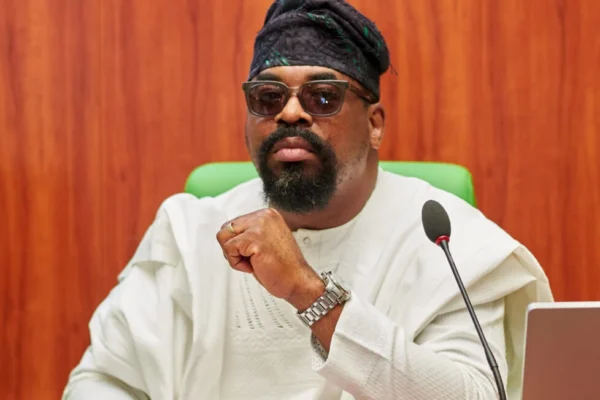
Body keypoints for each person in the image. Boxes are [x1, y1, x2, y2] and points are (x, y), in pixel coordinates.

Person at [63, 0, 553, 399]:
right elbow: (105, 381)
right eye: (268, 97)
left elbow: (474, 395)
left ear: (374, 124)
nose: (291, 113)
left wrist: (309, 292)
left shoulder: (447, 241)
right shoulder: (188, 233)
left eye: (322, 97)